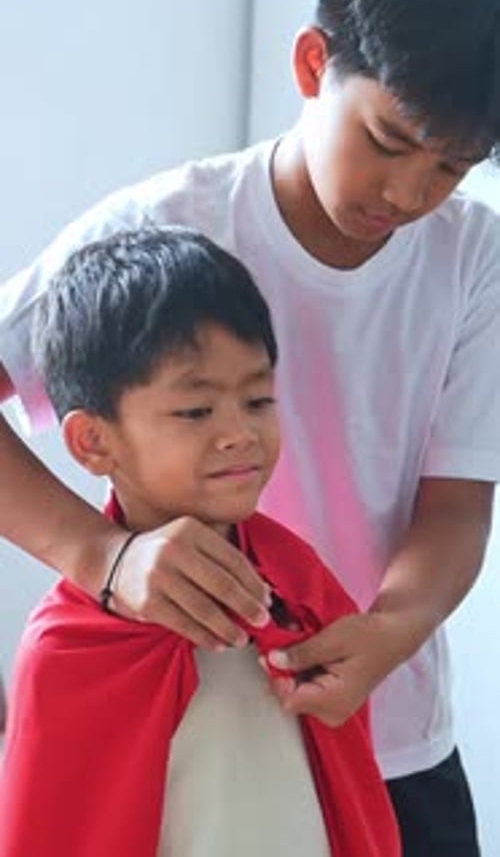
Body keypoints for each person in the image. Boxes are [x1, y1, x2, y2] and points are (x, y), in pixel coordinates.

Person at [0, 0, 499, 853]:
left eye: (453, 167)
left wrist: (390, 632)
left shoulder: (473, 257)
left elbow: (458, 505)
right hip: (188, 729)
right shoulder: (164, 225)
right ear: (313, 63)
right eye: (389, 140)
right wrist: (103, 555)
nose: (412, 194)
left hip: (392, 734)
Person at [0, 227, 400, 857]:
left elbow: (344, 784)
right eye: (196, 411)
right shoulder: (68, 650)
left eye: (258, 400)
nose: (240, 433)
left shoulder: (299, 581)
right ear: (93, 442)